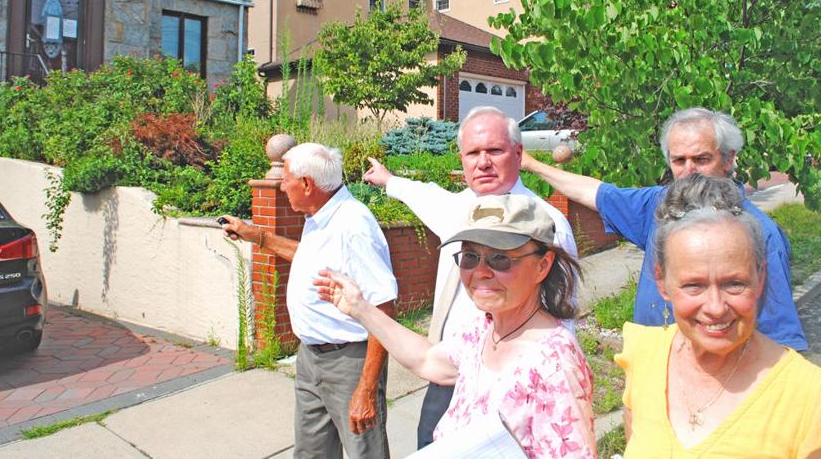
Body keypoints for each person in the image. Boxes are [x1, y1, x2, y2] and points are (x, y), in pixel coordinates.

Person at [315, 194, 596, 458]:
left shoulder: (554, 363)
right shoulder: (484, 330)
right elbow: (427, 360)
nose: (481, 271)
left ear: (542, 266)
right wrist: (360, 308)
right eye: (470, 257)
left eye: (500, 258)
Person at [363, 105, 578, 448]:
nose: (483, 162)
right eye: (473, 153)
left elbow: (564, 314)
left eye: (494, 150)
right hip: (448, 374)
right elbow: (424, 195)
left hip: (512, 386)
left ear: (518, 153)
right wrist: (389, 181)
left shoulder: (545, 223)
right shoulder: (459, 208)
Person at [521, 107, 808, 350]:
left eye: (702, 159)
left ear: (729, 159)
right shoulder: (659, 206)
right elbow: (595, 193)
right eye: (679, 160)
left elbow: (781, 341)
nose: (689, 170)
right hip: (655, 377)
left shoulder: (760, 233)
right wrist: (530, 164)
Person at [617, 174, 821, 457]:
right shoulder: (644, 355)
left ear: (760, 276)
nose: (716, 306)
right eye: (694, 285)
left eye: (734, 284)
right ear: (662, 282)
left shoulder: (811, 400)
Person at [219, 143, 396, 459]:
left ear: (307, 184)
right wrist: (256, 235)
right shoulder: (321, 214)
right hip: (311, 358)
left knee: (364, 454)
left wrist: (366, 390)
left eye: (286, 178)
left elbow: (385, 308)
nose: (281, 184)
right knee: (311, 454)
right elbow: (310, 260)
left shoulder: (353, 225)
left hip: (349, 364)